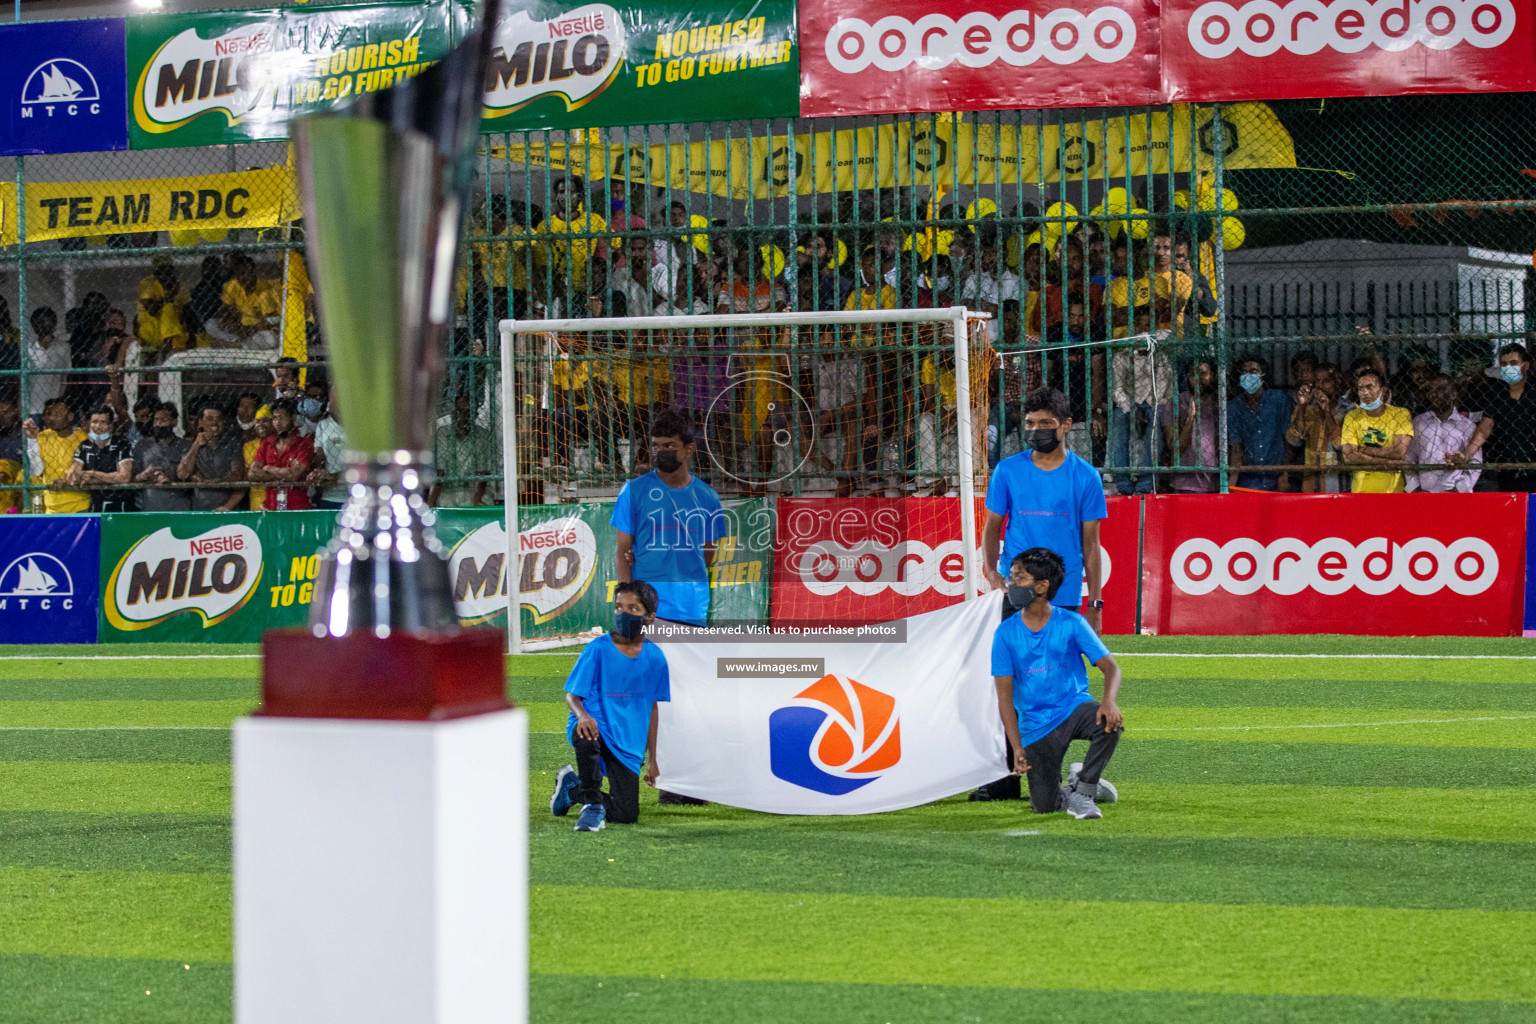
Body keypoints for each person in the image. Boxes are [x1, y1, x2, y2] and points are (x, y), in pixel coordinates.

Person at [975, 387, 1107, 802]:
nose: (1036, 431)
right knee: (1009, 684)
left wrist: (1096, 599)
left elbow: (1090, 545)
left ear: (1066, 426)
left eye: (1046, 424)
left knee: (1062, 685)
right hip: (1016, 596)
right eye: (1030, 424)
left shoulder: (1085, 476)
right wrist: (994, 576)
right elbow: (992, 528)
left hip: (1064, 597)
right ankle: (1006, 772)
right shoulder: (1007, 471)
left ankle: (1062, 761)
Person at [990, 547, 1123, 819]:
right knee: (1045, 807)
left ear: (1041, 586)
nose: (1011, 584)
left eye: (1018, 578)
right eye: (1011, 577)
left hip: (1073, 707)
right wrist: (1017, 747)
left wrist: (1108, 701)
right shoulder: (1004, 633)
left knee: (1109, 724)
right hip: (1035, 725)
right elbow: (1004, 697)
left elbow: (1111, 668)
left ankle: (1084, 791)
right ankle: (1078, 783)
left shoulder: (1072, 623)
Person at [549, 581, 670, 832]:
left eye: (633, 608)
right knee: (587, 733)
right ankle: (592, 805)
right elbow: (572, 696)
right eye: (618, 607)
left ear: (649, 617)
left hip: (627, 742)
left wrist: (653, 760)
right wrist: (582, 716)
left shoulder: (656, 658)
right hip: (596, 727)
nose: (623, 613)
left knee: (626, 814)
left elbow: (653, 709)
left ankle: (572, 790)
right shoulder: (598, 648)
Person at [612, 409, 723, 628]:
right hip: (645, 607)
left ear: (689, 449)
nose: (660, 452)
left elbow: (709, 553)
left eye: (669, 446)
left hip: (691, 605)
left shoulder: (708, 496)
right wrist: (627, 601)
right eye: (656, 446)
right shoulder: (633, 491)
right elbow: (622, 550)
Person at [1451, 344, 1536, 492]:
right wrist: (1466, 455)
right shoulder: (1498, 393)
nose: (1508, 368)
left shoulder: (1533, 391)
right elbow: (1484, 429)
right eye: (1504, 364)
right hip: (1507, 470)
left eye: (1513, 363)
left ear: (1526, 365)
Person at [1341, 368, 1413, 493]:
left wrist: (1365, 452)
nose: (1365, 393)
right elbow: (1348, 456)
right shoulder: (1352, 417)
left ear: (1383, 390)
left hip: (1392, 491)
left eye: (1370, 387)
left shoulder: (1400, 414)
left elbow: (1399, 452)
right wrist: (1389, 462)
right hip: (1361, 491)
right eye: (1361, 388)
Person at [1407, 373, 1481, 493]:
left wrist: (1457, 491)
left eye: (1440, 389)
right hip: (1423, 493)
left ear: (1453, 394)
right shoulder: (1419, 422)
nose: (1434, 394)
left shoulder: (1466, 426)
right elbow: (1409, 458)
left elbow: (1475, 464)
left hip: (1456, 495)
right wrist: (1415, 489)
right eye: (1431, 390)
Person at [1226, 355, 1292, 490]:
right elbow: (1236, 447)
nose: (1248, 375)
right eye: (1244, 372)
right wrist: (1233, 478)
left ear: (1262, 376)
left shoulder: (1279, 400)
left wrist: (1284, 473)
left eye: (1253, 371)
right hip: (1249, 478)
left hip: (1276, 476)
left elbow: (1289, 440)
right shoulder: (1234, 407)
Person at [430, 390, 499, 507]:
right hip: (449, 490)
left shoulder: (483, 435)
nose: (464, 416)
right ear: (453, 413)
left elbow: (483, 473)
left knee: (481, 503)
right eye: (460, 411)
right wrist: (431, 500)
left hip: (474, 489)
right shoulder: (443, 434)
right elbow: (440, 472)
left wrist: (476, 499)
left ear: (475, 414)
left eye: (468, 412)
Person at [1283, 361, 1344, 493]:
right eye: (1317, 381)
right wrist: (1302, 406)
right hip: (1311, 485)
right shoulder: (1308, 410)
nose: (1321, 386)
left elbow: (1341, 446)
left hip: (1337, 484)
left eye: (1326, 381)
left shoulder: (1348, 410)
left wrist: (1327, 412)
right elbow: (1294, 440)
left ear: (1337, 383)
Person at [23, 398, 89, 513]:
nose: (51, 418)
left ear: (70, 417)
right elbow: (37, 471)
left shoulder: (83, 439)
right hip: (52, 507)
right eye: (48, 414)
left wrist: (67, 482)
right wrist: (32, 440)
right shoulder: (43, 437)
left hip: (79, 505)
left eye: (57, 414)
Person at [248, 398, 315, 510]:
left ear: (293, 418)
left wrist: (268, 468)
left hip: (297, 507)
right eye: (274, 418)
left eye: (282, 418)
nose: (277, 423)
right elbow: (252, 473)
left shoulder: (303, 443)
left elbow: (294, 475)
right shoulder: (267, 443)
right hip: (270, 505)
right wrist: (283, 474)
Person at [180, 402, 247, 512]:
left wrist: (212, 482)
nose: (215, 423)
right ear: (201, 422)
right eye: (210, 418)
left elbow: (237, 476)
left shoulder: (232, 445)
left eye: (218, 418)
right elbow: (183, 474)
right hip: (200, 510)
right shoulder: (189, 445)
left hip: (227, 510)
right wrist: (197, 443)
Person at [1167, 358, 1220, 493]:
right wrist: (1191, 417)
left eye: (1203, 373)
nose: (1198, 378)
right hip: (1185, 484)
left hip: (1215, 483)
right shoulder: (1175, 403)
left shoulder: (1220, 404)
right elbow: (1175, 447)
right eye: (1193, 374)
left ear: (1212, 376)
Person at [208, 254, 281, 349]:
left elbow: (267, 324)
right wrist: (226, 320)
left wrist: (244, 330)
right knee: (210, 324)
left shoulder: (265, 292)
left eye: (243, 273)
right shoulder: (233, 286)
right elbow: (224, 308)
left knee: (270, 339)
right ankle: (235, 341)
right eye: (237, 274)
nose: (240, 278)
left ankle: (235, 345)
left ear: (253, 272)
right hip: (241, 329)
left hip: (257, 331)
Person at [70, 407, 135, 512]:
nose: (98, 426)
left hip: (120, 508)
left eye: (103, 422)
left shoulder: (122, 445)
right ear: (88, 424)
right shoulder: (84, 446)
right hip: (94, 508)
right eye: (94, 422)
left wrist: (92, 474)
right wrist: (110, 477)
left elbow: (124, 478)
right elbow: (74, 475)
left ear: (111, 426)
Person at [133, 402, 193, 512]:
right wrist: (144, 475)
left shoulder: (185, 446)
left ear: (174, 422)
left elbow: (190, 476)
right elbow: (132, 478)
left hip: (179, 507)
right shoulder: (142, 446)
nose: (159, 424)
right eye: (156, 420)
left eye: (164, 420)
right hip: (150, 508)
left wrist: (171, 478)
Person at [137, 254, 192, 353]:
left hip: (177, 330)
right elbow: (152, 310)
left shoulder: (179, 284)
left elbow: (188, 312)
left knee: (200, 338)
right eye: (161, 271)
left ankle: (175, 348)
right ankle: (170, 347)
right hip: (152, 329)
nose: (165, 275)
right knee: (169, 307)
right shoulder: (148, 283)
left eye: (168, 270)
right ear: (155, 272)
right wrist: (170, 295)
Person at [305, 383, 348, 509]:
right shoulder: (323, 425)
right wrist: (316, 471)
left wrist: (333, 475)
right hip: (330, 496)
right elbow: (319, 455)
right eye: (332, 397)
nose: (334, 401)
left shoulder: (361, 426)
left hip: (355, 495)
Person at [25, 307, 68, 416]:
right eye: (39, 322)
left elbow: (69, 376)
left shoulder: (63, 347)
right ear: (34, 326)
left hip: (55, 406)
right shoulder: (28, 349)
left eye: (48, 321)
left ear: (54, 324)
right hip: (33, 407)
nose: (44, 325)